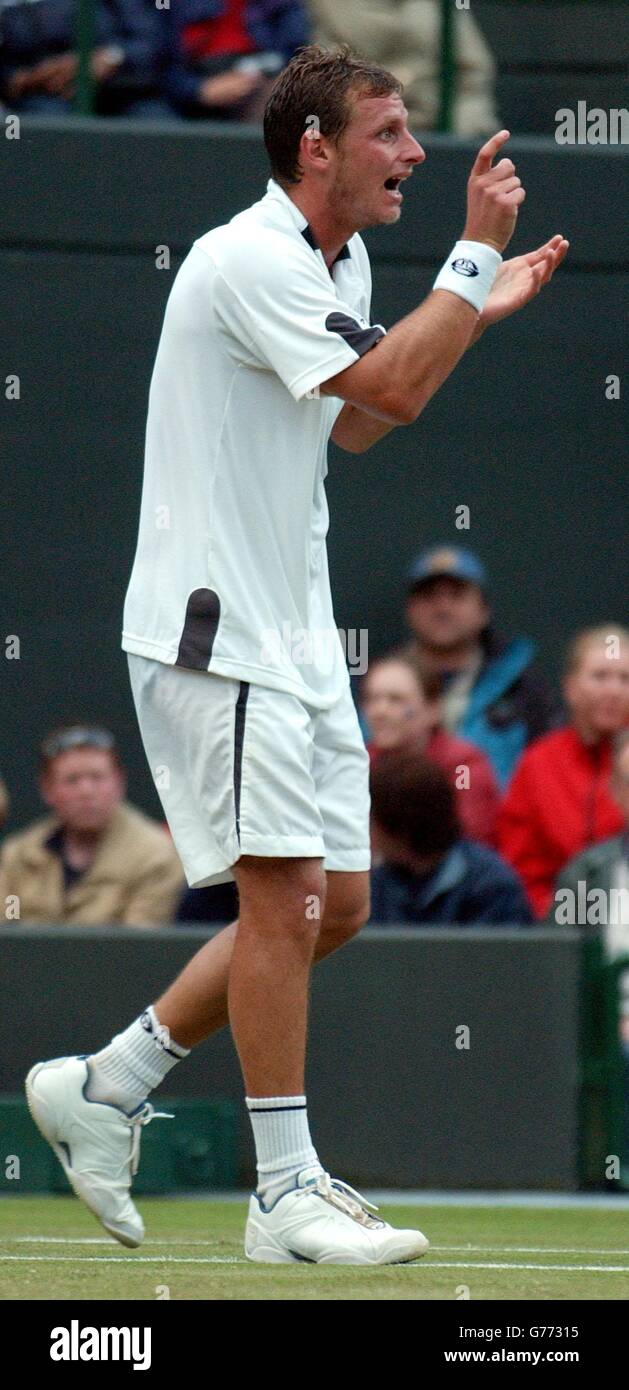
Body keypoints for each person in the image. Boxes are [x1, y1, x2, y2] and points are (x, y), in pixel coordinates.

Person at [26, 44, 567, 1265]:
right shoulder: (247, 258)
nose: (415, 155)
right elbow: (395, 390)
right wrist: (469, 264)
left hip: (295, 636)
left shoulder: (341, 256)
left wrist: (462, 311)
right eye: (387, 134)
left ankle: (106, 1085)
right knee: (284, 902)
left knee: (342, 903)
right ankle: (282, 1193)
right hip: (216, 633)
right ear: (314, 148)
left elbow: (365, 422)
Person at [386, 545, 563, 790]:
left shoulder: (524, 691)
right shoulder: (380, 688)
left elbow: (550, 782)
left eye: (457, 595)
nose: (443, 608)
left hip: (499, 826)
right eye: (429, 596)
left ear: (483, 611)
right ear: (410, 610)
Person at [498, 626, 629, 920]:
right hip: (556, 927)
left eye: (625, 679)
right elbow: (520, 866)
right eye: (600, 676)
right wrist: (556, 920)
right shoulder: (538, 763)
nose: (613, 690)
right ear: (571, 687)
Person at [0, 725, 185, 925]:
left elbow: (139, 945)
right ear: (48, 789)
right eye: (72, 780)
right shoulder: (17, 856)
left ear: (119, 782)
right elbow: (9, 930)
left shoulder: (157, 857)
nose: (86, 792)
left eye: (97, 778)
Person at [369, 748, 532, 925]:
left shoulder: (492, 888)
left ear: (399, 830)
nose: (367, 831)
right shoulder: (377, 887)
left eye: (372, 821)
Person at [360, 653, 500, 845]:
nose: (379, 711)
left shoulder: (463, 765)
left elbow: (468, 835)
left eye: (396, 700)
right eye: (372, 699)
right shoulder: (357, 764)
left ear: (433, 708)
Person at [308, 0, 498, 136]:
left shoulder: (444, 7)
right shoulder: (332, 11)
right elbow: (334, 69)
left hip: (438, 114)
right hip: (365, 114)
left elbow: (474, 69)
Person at [0, 0, 172, 119]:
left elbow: (150, 43)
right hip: (44, 95)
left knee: (156, 124)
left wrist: (109, 58)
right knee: (50, 126)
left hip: (120, 90)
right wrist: (25, 77)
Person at [162, 0, 310, 121]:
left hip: (261, 75)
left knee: (280, 100)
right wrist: (197, 90)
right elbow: (155, 58)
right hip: (192, 80)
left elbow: (294, 49)